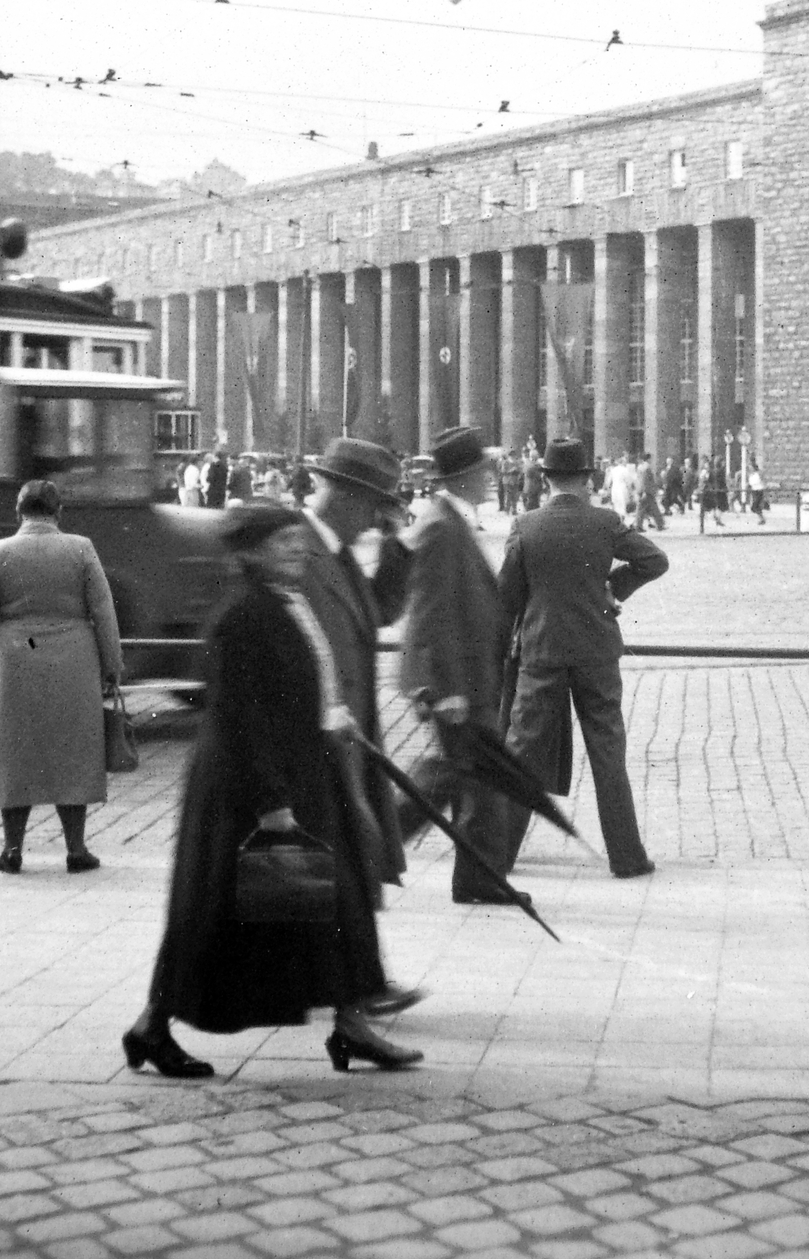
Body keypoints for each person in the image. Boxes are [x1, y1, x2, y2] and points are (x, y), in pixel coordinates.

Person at [122, 504, 420, 1080]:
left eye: (298, 540)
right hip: (250, 788)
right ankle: (152, 1027)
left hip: (307, 770)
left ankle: (352, 1024)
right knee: (221, 918)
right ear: (249, 552)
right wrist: (272, 801)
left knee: (341, 904)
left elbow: (311, 679)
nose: (297, 550)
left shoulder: (290, 602)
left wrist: (338, 719)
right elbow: (240, 719)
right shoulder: (240, 617)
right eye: (283, 542)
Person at [499, 438, 667, 879]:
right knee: (608, 754)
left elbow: (507, 596)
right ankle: (627, 856)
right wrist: (614, 587)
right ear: (586, 478)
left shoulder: (526, 525)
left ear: (547, 479)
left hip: (542, 651)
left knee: (522, 752)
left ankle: (498, 853)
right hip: (596, 651)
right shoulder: (605, 522)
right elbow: (655, 559)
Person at [0, 479, 122, 875]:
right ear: (59, 511)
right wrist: (112, 664)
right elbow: (103, 611)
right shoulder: (81, 549)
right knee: (74, 752)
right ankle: (76, 850)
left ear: (19, 512)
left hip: (14, 657)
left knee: (14, 753)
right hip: (74, 658)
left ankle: (12, 851)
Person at [401, 427, 516, 904]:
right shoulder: (441, 527)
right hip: (458, 685)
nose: (492, 477)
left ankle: (476, 879)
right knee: (465, 779)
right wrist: (445, 688)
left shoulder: (451, 520)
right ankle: (371, 845)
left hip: (468, 681)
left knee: (472, 779)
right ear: (466, 475)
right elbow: (432, 615)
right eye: (485, 470)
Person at [298, 441, 414, 908]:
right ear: (345, 498)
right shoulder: (299, 554)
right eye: (375, 509)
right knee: (324, 900)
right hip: (318, 759)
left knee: (350, 895)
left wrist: (395, 546)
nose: (374, 521)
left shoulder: (338, 554)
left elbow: (376, 614)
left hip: (350, 751)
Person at [635, 452, 665, 531]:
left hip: (641, 490)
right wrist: (646, 491)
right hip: (647, 491)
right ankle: (660, 525)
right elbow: (646, 480)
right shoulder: (647, 467)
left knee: (642, 509)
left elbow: (638, 480)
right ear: (648, 459)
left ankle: (638, 525)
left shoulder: (639, 467)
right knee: (653, 509)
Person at [747, 457, 767, 525]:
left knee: (755, 506)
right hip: (754, 491)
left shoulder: (758, 473)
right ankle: (761, 518)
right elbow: (750, 483)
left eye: (751, 467)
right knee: (755, 507)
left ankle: (762, 518)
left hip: (759, 490)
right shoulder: (750, 475)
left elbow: (763, 481)